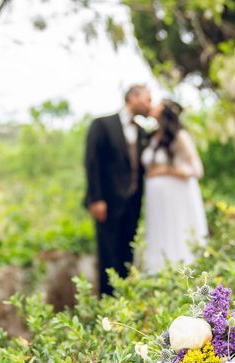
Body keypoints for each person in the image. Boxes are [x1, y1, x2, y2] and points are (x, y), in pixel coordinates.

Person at [84, 85, 151, 295]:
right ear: (132, 97)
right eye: (147, 99)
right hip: (107, 202)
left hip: (132, 203)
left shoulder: (141, 131)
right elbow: (91, 162)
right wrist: (95, 198)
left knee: (126, 255)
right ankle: (106, 304)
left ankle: (124, 303)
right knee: (107, 255)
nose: (149, 103)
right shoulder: (102, 124)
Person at [141, 100, 208, 272]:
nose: (153, 106)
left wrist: (166, 170)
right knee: (159, 236)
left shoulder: (179, 136)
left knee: (177, 234)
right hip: (156, 201)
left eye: (158, 104)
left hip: (176, 196)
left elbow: (197, 170)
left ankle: (182, 271)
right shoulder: (152, 136)